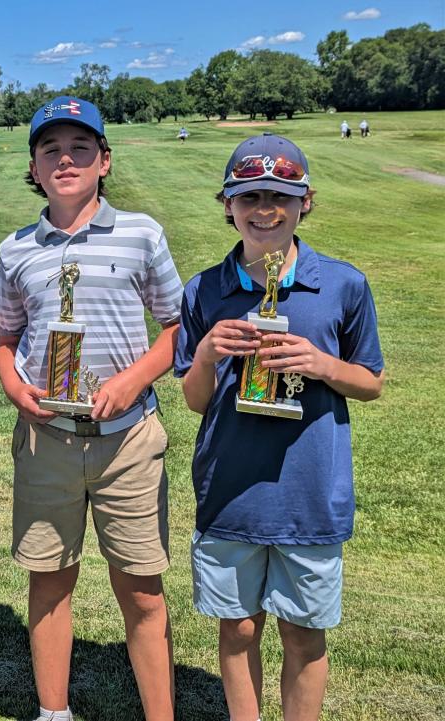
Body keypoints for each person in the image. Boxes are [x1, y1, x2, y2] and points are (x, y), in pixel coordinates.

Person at [174, 133, 385, 721]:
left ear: (305, 202)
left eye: (279, 197)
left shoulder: (342, 284)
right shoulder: (206, 289)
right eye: (250, 198)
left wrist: (321, 364)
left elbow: (370, 381)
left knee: (302, 634)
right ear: (227, 204)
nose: (264, 211)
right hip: (230, 488)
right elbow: (194, 399)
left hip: (308, 491)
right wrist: (211, 355)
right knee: (238, 629)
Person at [0, 96, 183, 721]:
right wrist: (12, 385)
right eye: (51, 149)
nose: (65, 159)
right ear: (34, 165)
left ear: (104, 160)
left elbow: (177, 326)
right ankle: (54, 712)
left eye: (80, 148)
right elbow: (5, 336)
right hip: (46, 438)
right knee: (49, 582)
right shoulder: (16, 248)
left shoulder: (141, 233)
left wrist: (133, 380)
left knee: (142, 589)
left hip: (128, 440)